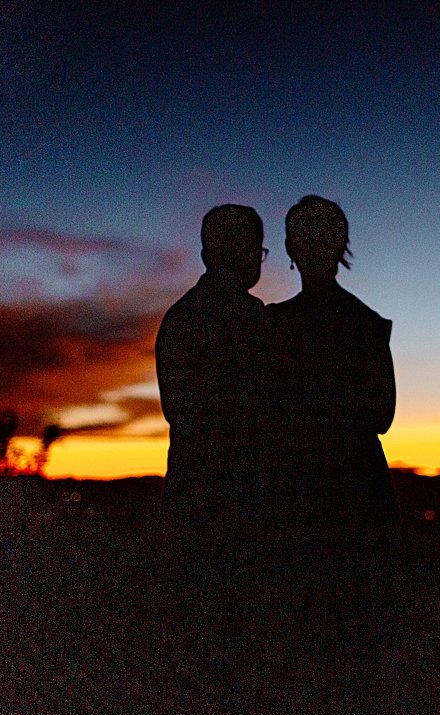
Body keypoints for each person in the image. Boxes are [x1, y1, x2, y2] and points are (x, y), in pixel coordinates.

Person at [265, 195, 398, 550]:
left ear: (291, 248)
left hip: (296, 490)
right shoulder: (367, 324)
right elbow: (383, 415)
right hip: (360, 487)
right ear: (341, 244)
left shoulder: (274, 325)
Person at [155, 204, 269, 543]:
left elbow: (176, 409)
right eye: (258, 250)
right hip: (242, 497)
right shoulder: (253, 318)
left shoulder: (179, 316)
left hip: (189, 494)